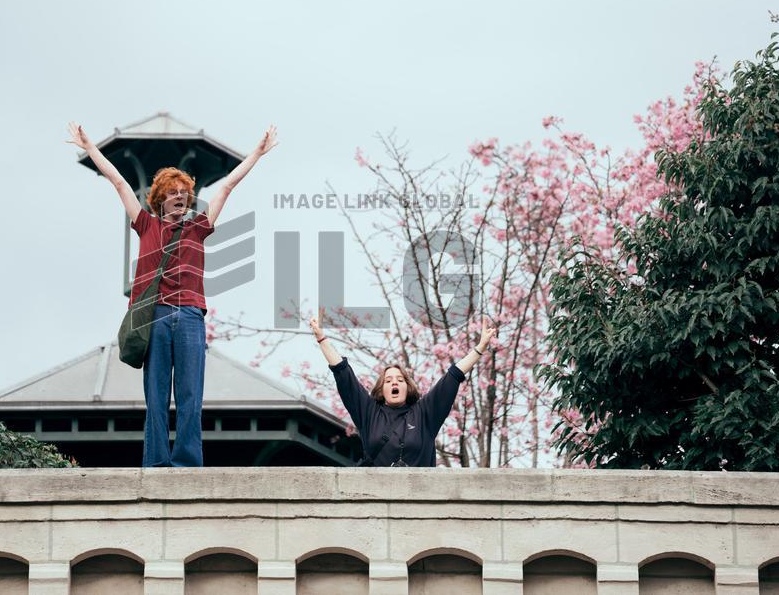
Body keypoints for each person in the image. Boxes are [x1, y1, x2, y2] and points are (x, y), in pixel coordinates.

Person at [66, 121, 279, 466]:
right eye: (172, 192)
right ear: (160, 199)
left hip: (192, 316)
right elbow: (119, 182)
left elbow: (227, 187)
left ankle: (187, 462)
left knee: (191, 394)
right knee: (157, 394)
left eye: (184, 192)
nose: (180, 196)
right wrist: (91, 148)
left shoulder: (198, 227)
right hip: (158, 317)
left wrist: (256, 153)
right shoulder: (146, 225)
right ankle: (156, 463)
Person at [309, 310, 496, 466]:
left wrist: (480, 348)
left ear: (408, 387)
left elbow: (453, 377)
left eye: (400, 379)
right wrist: (321, 338)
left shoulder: (424, 414)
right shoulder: (369, 414)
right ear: (381, 390)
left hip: (419, 500)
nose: (395, 383)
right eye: (388, 381)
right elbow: (343, 374)